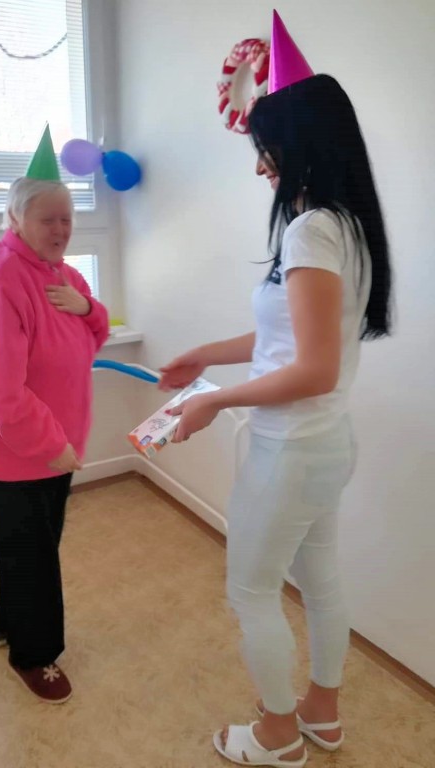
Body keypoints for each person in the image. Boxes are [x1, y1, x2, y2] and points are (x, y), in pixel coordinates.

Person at [159, 14, 392, 768]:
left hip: (290, 448)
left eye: (267, 148)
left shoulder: (310, 231)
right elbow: (288, 342)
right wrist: (203, 356)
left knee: (252, 591)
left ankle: (278, 735)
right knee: (319, 580)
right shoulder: (345, 225)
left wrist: (214, 400)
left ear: (302, 144)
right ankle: (323, 714)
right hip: (324, 444)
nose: (260, 166)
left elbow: (312, 369)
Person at [0, 127, 109, 703]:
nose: (61, 229)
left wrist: (87, 307)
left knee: (31, 546)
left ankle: (6, 617)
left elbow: (94, 337)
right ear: (17, 220)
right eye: (48, 220)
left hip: (50, 445)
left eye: (67, 218)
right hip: (14, 450)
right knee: (33, 554)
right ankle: (34, 655)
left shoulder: (62, 273)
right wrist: (50, 444)